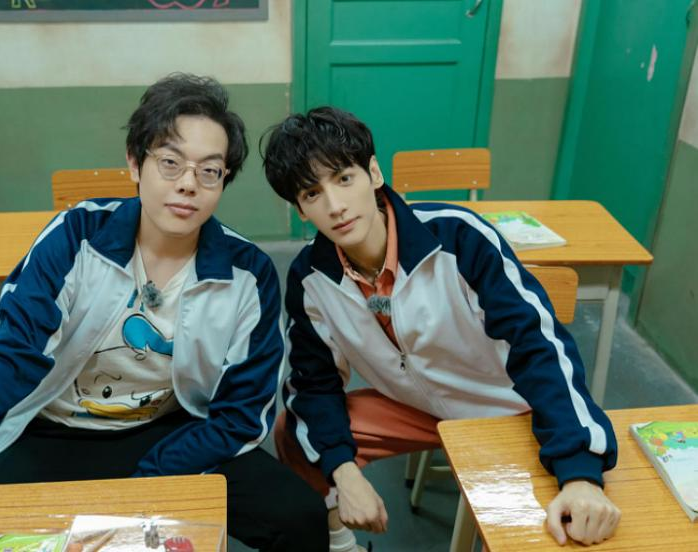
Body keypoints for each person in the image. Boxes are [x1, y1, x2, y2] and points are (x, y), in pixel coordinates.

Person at [0, 74, 327, 552]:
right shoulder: (76, 239)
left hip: (174, 432)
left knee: (300, 518)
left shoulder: (247, 273)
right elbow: (5, 362)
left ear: (222, 181)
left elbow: (241, 415)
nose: (188, 184)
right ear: (135, 162)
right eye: (170, 163)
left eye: (209, 171)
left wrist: (147, 479)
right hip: (57, 432)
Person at [261, 106, 621, 551]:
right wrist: (344, 472)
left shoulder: (458, 237)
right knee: (294, 433)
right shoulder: (310, 277)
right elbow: (313, 383)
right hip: (412, 407)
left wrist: (580, 472)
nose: (335, 206)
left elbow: (537, 345)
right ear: (300, 208)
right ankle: (341, 543)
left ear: (374, 173)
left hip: (504, 405)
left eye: (344, 179)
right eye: (312, 193)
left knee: (549, 527)